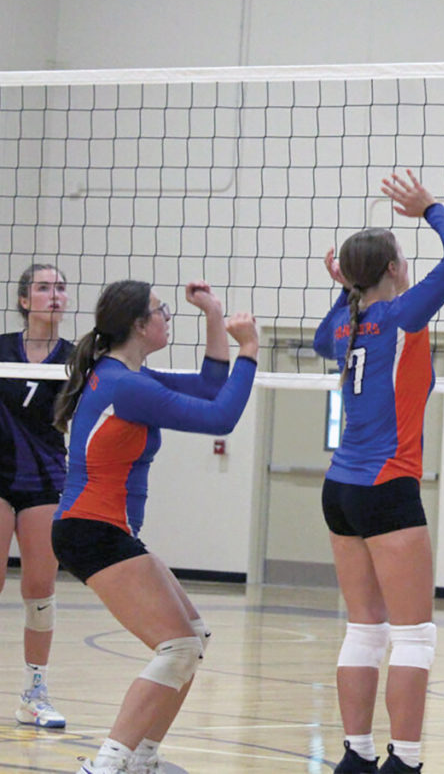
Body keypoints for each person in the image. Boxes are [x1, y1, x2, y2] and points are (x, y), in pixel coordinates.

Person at [51, 279, 259, 774]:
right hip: (90, 529)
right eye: (161, 311)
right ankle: (107, 764)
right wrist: (249, 349)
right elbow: (220, 416)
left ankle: (141, 759)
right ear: (141, 326)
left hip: (103, 530)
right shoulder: (129, 387)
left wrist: (213, 313)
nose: (168, 316)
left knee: (191, 636)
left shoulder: (127, 376)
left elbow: (209, 386)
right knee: (178, 645)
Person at [315, 170, 444, 774]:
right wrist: (429, 207)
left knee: (365, 629)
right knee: (413, 637)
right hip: (387, 487)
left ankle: (356, 756)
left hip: (341, 490)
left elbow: (317, 338)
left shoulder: (343, 325)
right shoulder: (405, 315)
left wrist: (345, 291)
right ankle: (404, 762)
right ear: (392, 270)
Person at [0, 264, 74, 728]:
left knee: (39, 590)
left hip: (46, 480)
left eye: (60, 288)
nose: (54, 295)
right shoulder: (2, 349)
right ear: (25, 300)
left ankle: (35, 692)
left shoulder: (76, 357)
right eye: (44, 288)